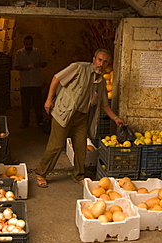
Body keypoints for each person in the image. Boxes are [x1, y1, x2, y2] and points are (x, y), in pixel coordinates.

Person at [35, 49, 125, 188]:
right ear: (94, 59)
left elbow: (103, 104)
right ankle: (41, 173)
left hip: (81, 117)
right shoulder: (78, 67)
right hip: (63, 113)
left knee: (81, 146)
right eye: (99, 60)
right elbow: (56, 79)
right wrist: (49, 100)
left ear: (108, 63)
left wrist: (115, 118)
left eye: (105, 61)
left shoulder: (101, 81)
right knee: (56, 145)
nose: (101, 64)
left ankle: (78, 175)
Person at [14, 35, 47, 129]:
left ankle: (40, 121)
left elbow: (45, 63)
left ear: (32, 43)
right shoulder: (19, 53)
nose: (28, 45)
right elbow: (16, 66)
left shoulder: (37, 52)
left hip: (36, 82)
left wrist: (37, 64)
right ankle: (25, 122)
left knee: (38, 104)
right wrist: (25, 67)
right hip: (25, 83)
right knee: (25, 104)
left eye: (30, 44)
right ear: (24, 43)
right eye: (26, 44)